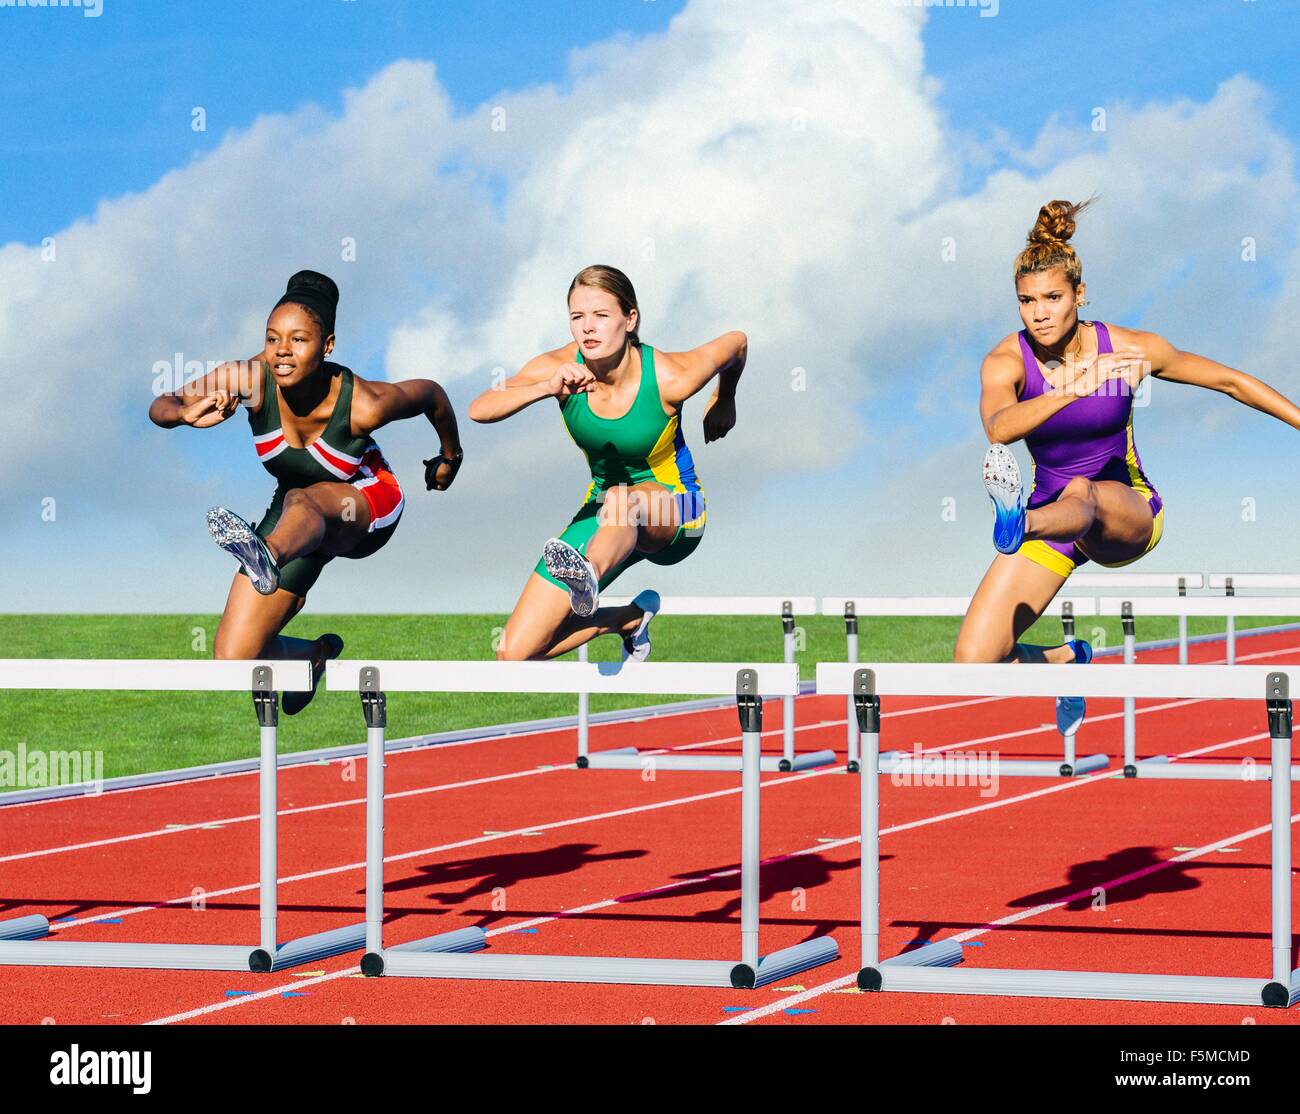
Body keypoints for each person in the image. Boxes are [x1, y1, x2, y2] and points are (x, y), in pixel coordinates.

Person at [956, 199, 1300, 729]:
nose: (1040, 313)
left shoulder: (1130, 349)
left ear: (1080, 294)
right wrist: (1073, 386)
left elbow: (1231, 381)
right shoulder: (1006, 360)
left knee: (1083, 494)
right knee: (973, 663)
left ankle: (1017, 522)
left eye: (1052, 298)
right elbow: (999, 429)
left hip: (1126, 510)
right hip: (1056, 525)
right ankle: (1068, 661)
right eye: (1026, 302)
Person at [149, 270, 464, 712]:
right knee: (232, 656)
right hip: (298, 517)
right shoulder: (248, 378)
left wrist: (450, 458)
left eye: (298, 340)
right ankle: (309, 656)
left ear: (328, 345)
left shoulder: (365, 403)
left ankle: (267, 556)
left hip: (364, 503)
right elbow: (160, 405)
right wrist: (185, 413)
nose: (281, 352)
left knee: (304, 501)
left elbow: (431, 395)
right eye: (272, 338)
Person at [468, 265, 745, 661]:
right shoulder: (559, 366)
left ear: (630, 318)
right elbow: (480, 408)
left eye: (601, 315)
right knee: (513, 654)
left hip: (678, 509)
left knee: (622, 499)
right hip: (604, 516)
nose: (587, 329)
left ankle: (587, 577)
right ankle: (626, 619)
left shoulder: (671, 376)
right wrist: (546, 388)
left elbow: (736, 342)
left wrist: (727, 398)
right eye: (577, 317)